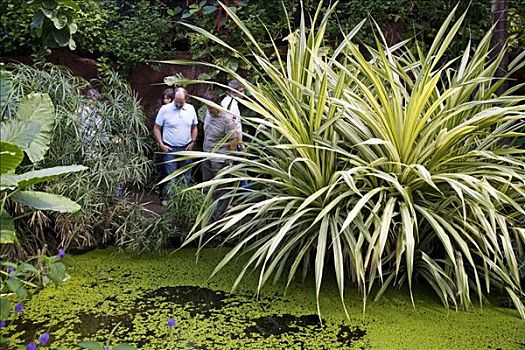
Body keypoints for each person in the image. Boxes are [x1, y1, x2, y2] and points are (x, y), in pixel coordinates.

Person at [153, 87, 198, 198]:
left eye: (181, 102)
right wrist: (161, 144)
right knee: (170, 177)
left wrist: (193, 142)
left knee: (185, 176)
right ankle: (170, 202)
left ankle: (181, 201)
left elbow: (194, 127)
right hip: (169, 149)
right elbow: (156, 128)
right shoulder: (165, 109)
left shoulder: (191, 109)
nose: (178, 104)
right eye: (176, 102)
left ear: (186, 99)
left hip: (186, 148)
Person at [202, 91, 238, 182]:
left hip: (219, 159)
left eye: (211, 107)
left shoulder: (227, 119)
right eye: (207, 107)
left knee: (219, 186)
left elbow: (233, 140)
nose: (209, 110)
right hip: (206, 154)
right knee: (206, 183)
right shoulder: (208, 113)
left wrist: (230, 160)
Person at [221, 80, 249, 188]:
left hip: (233, 142)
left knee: (240, 170)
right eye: (240, 91)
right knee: (240, 170)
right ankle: (246, 194)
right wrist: (240, 143)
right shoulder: (230, 106)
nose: (243, 94)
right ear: (233, 91)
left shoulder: (228, 102)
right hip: (233, 143)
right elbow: (234, 127)